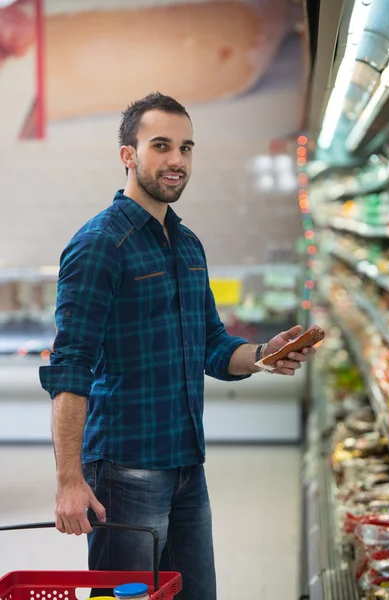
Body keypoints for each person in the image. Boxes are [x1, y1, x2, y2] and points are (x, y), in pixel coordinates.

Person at [39, 92, 316, 600]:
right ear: (128, 154)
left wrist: (262, 355)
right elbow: (70, 367)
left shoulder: (188, 245)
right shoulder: (100, 244)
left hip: (188, 467)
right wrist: (69, 479)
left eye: (186, 148)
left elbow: (211, 344)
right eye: (161, 145)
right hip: (124, 471)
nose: (177, 161)